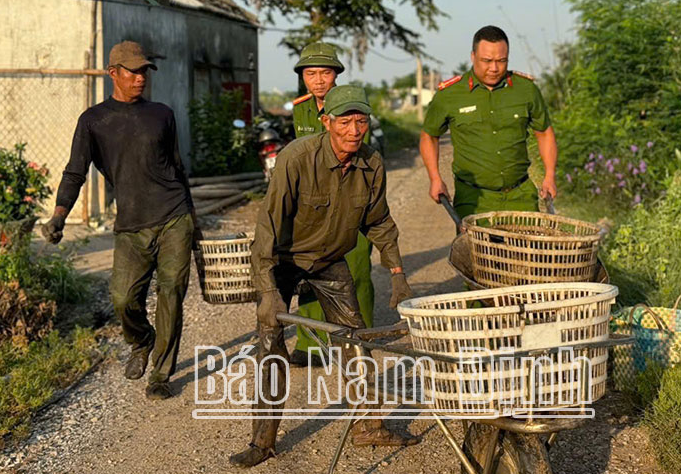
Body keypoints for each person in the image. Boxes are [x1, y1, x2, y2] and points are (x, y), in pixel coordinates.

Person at [229, 85, 419, 468]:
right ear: (326, 121)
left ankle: (368, 427)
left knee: (356, 341)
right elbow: (267, 225)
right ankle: (262, 442)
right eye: (345, 121)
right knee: (271, 350)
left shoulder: (371, 163)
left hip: (331, 262)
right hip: (284, 260)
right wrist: (267, 290)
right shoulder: (296, 158)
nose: (354, 130)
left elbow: (378, 220)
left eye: (361, 121)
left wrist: (397, 271)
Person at [42, 40, 199, 400]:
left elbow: (177, 168)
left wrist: (193, 218)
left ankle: (160, 373)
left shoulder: (162, 114)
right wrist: (59, 216)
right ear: (114, 73)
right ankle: (141, 340)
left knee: (172, 292)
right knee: (123, 298)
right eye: (133, 71)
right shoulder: (94, 120)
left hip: (174, 215)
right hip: (131, 223)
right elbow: (74, 172)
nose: (141, 77)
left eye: (145, 70)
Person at [288, 42, 375, 367]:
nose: (319, 80)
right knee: (310, 271)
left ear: (336, 74)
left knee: (357, 269)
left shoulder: (353, 104)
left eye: (325, 73)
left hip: (352, 199)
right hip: (312, 205)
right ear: (303, 77)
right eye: (311, 74)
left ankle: (358, 337)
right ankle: (311, 344)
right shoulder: (301, 110)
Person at [419, 25, 558, 218]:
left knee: (528, 248)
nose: (494, 68)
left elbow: (544, 132)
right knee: (474, 249)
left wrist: (549, 175)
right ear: (473, 56)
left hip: (521, 196)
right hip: (473, 199)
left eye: (501, 61)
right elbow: (429, 136)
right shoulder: (450, 95)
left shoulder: (526, 90)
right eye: (487, 61)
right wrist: (435, 178)